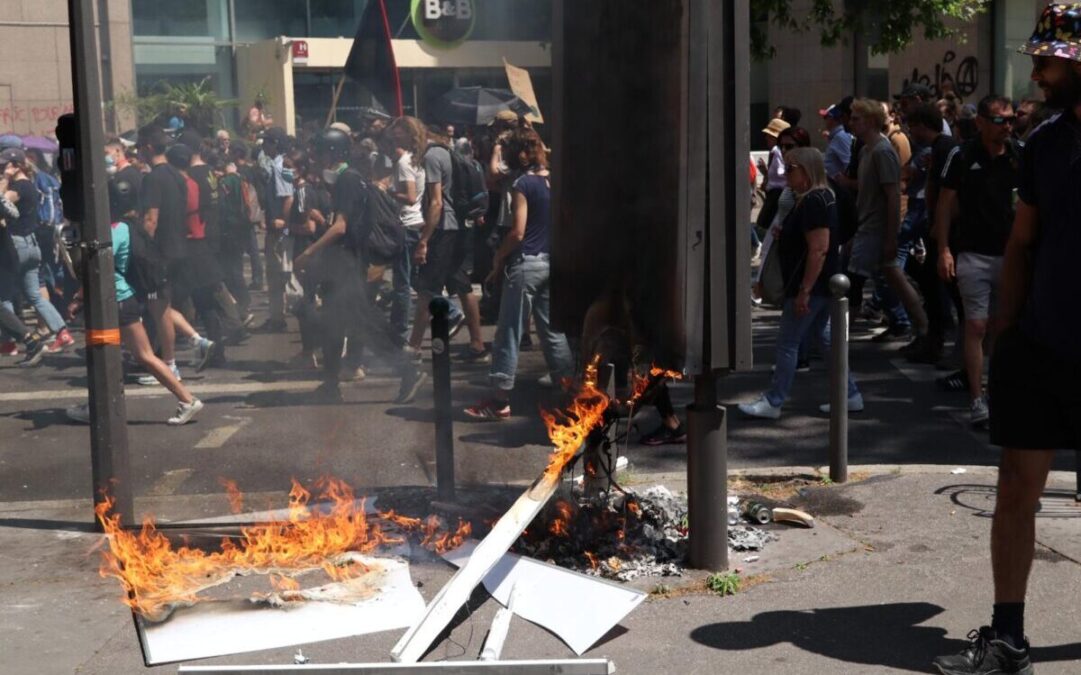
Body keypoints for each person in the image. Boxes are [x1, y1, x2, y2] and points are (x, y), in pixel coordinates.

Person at [932, 6, 1081, 674]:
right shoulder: (1046, 143)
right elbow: (1021, 242)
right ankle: (1007, 637)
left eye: (1049, 60)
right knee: (1014, 489)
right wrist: (1004, 335)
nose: (1037, 71)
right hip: (1040, 345)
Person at [293, 128, 426, 404]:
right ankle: (330, 384)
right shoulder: (349, 179)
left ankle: (407, 369)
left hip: (347, 264)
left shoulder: (347, 181)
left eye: (319, 152)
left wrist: (308, 252)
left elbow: (341, 227)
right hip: (340, 263)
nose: (315, 158)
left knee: (365, 323)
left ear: (332, 153)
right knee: (333, 324)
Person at [738, 147, 861, 419]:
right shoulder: (818, 197)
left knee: (788, 343)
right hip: (821, 283)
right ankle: (849, 394)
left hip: (812, 285)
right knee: (825, 339)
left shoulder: (815, 199)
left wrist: (805, 290)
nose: (785, 173)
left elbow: (819, 248)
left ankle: (774, 400)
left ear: (807, 171)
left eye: (791, 168)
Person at [464, 128, 573, 420]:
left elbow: (519, 231)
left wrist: (499, 258)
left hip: (526, 263)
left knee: (508, 331)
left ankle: (499, 400)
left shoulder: (523, 184)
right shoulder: (555, 180)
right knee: (552, 332)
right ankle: (569, 391)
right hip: (552, 261)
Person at [932, 95, 1020, 428]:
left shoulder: (1019, 154)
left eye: (1011, 120)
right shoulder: (962, 154)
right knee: (977, 325)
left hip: (1012, 256)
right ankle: (977, 398)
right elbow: (944, 203)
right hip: (972, 253)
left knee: (1002, 327)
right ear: (981, 121)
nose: (1007, 127)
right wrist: (943, 249)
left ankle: (997, 392)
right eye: (1000, 120)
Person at [66, 218, 202, 425]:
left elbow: (99, 268)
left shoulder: (111, 232)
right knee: (132, 355)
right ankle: (186, 399)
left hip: (114, 299)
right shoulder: (124, 227)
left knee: (109, 354)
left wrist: (77, 298)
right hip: (123, 297)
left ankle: (97, 408)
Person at [844, 99, 930, 349]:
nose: (851, 123)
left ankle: (837, 339)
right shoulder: (866, 151)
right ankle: (922, 326)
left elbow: (893, 195)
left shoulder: (882, 151)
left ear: (870, 121)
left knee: (852, 281)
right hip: (866, 225)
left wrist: (892, 236)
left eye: (855, 119)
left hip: (878, 228)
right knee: (893, 277)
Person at [406, 126, 488, 363]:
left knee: (426, 288)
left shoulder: (432, 156)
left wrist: (424, 240)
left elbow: (436, 203)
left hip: (444, 230)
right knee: (463, 285)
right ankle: (477, 344)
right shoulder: (448, 152)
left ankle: (413, 348)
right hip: (459, 227)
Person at [0, 147, 73, 352]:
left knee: (3, 296)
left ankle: (10, 340)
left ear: (16, 166)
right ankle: (61, 331)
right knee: (34, 294)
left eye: (5, 165)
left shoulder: (20, 187)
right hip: (32, 245)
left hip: (16, 245)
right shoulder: (30, 185)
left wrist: (5, 179)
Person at [904, 102, 960, 366]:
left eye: (912, 126)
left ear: (923, 126)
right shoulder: (938, 150)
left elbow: (945, 193)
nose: (910, 132)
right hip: (935, 225)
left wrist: (939, 227)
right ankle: (935, 337)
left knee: (936, 282)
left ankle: (939, 340)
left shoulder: (946, 148)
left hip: (940, 228)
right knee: (927, 278)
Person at [386, 116, 428, 345]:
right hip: (417, 223)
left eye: (397, 131)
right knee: (414, 278)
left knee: (401, 283)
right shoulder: (417, 159)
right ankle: (450, 312)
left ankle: (399, 333)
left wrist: (387, 191)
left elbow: (410, 198)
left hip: (407, 223)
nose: (393, 135)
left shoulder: (404, 162)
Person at [256, 127, 294, 333]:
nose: (264, 146)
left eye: (267, 142)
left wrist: (283, 223)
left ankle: (279, 317)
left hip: (280, 231)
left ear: (276, 144)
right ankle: (277, 315)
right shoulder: (277, 165)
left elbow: (288, 197)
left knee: (278, 274)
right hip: (276, 228)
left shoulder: (281, 167)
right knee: (276, 274)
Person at [755, 117, 790, 236]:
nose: (766, 138)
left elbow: (782, 173)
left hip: (776, 195)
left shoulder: (776, 151)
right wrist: (766, 171)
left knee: (763, 227)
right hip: (774, 194)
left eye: (769, 135)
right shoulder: (777, 151)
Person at [820, 104, 852, 179]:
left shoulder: (841, 136)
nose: (824, 120)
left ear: (832, 118)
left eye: (825, 117)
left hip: (838, 186)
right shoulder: (835, 136)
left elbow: (848, 163)